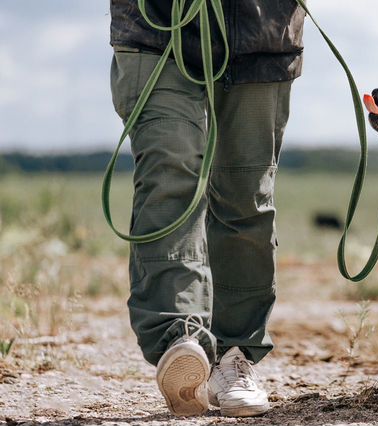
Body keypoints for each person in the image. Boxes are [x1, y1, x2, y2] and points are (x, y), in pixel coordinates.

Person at [109, 0, 305, 417]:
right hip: (155, 27)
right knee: (169, 174)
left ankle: (234, 356)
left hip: (263, 31)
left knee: (246, 195)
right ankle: (179, 340)